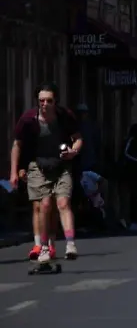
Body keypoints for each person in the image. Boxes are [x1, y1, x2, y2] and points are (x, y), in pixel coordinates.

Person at [10, 83, 83, 263]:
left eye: (48, 100)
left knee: (63, 202)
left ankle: (70, 244)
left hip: (61, 164)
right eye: (41, 100)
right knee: (43, 205)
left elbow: (78, 139)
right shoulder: (28, 119)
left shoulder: (65, 117)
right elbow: (17, 145)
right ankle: (43, 246)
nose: (44, 104)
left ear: (55, 101)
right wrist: (14, 171)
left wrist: (73, 152)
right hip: (38, 165)